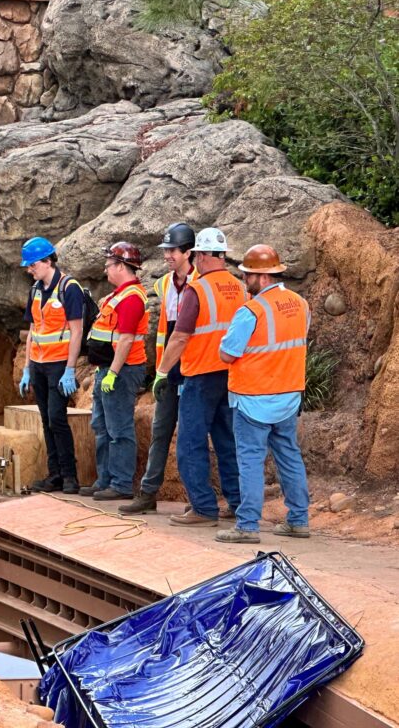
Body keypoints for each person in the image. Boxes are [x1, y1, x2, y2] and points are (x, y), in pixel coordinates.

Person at [216, 245, 311, 544]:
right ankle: (299, 520)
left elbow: (227, 354)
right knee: (289, 456)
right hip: (288, 396)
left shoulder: (251, 311)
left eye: (247, 275)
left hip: (253, 398)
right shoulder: (300, 304)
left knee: (250, 461)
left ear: (263, 276)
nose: (244, 280)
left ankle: (247, 526)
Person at [153, 228, 245, 527]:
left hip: (201, 375)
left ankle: (203, 508)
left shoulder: (198, 290)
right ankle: (237, 503)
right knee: (227, 442)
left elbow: (180, 337)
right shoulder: (240, 288)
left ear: (200, 256)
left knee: (190, 443)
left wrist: (162, 371)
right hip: (231, 375)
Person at [121, 223, 197, 515]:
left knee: (190, 437)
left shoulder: (201, 282)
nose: (167, 255)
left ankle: (197, 500)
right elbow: (167, 329)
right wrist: (162, 369)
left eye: (172, 250)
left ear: (188, 252)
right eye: (166, 250)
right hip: (170, 368)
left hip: (194, 368)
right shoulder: (165, 283)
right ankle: (148, 493)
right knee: (160, 431)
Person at [83, 243, 149, 501]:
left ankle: (121, 484)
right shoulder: (118, 295)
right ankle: (105, 480)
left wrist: (113, 372)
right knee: (101, 426)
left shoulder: (131, 298)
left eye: (109, 265)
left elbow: (126, 339)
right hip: (108, 369)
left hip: (122, 370)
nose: (106, 270)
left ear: (121, 266)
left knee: (119, 429)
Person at [18, 237, 83, 495]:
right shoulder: (35, 290)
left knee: (57, 418)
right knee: (46, 419)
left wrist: (70, 369)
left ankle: (70, 475)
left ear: (47, 261)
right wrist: (26, 368)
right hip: (38, 365)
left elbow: (76, 331)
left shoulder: (69, 288)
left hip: (59, 365)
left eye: (32, 265)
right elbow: (32, 330)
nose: (29, 270)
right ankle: (54, 474)